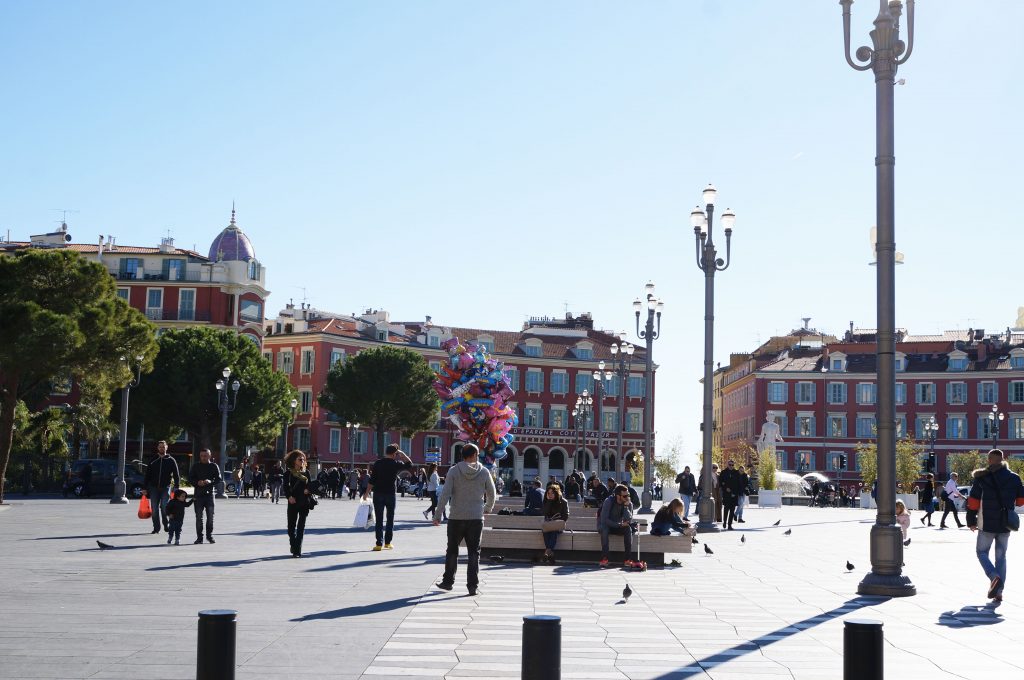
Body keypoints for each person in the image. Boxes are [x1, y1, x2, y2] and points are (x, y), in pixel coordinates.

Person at [434, 444, 496, 596]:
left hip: (456, 517)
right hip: (476, 517)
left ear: (462, 455)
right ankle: (472, 586)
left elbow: (445, 494)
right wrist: (487, 508)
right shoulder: (484, 471)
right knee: (474, 552)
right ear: (475, 454)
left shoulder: (454, 471)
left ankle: (448, 582)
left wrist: (438, 515)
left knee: (452, 551)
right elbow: (492, 493)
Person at [967, 449, 1024, 602]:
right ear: (1003, 459)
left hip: (987, 523)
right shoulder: (1014, 478)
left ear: (989, 460)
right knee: (1001, 557)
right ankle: (998, 592)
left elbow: (973, 501)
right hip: (1006, 524)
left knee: (981, 552)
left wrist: (971, 521)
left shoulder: (982, 478)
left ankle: (994, 576)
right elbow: (1020, 501)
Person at [363, 444, 413, 551]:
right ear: (395, 454)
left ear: (386, 452)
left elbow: (372, 480)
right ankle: (388, 543)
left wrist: (366, 493)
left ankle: (378, 544)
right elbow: (409, 464)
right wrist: (403, 454)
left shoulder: (378, 463)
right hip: (390, 494)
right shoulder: (396, 463)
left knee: (379, 520)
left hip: (378, 494)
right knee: (390, 519)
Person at [143, 441, 180, 534]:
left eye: (163, 447)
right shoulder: (153, 459)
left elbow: (176, 475)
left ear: (166, 448)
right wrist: (144, 488)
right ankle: (156, 528)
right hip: (153, 488)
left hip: (165, 487)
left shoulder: (171, 460)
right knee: (154, 509)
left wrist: (177, 487)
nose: (161, 448)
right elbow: (147, 475)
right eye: (160, 447)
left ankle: (166, 524)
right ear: (157, 448)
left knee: (164, 507)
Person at [598, 484, 637, 568]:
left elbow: (629, 520)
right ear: (618, 496)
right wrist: (619, 524)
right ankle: (605, 558)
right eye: (625, 496)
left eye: (628, 495)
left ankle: (627, 559)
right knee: (604, 530)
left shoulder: (628, 503)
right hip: (606, 525)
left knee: (628, 529)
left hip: (619, 526)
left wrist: (626, 507)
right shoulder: (608, 501)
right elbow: (605, 520)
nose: (627, 497)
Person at [284, 449, 313, 557]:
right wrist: (289, 497)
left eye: (303, 459)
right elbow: (285, 487)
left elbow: (310, 486)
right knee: (291, 527)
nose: (302, 460)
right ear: (294, 460)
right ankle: (293, 543)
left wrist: (308, 490)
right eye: (299, 459)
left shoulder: (306, 472)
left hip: (304, 502)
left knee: (301, 527)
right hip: (293, 501)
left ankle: (297, 550)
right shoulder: (288, 473)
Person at [189, 448, 221, 544]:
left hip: (210, 494)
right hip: (198, 494)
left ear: (209, 456)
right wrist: (197, 482)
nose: (203, 457)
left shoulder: (214, 466)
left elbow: (218, 479)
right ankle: (199, 537)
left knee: (210, 517)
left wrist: (210, 481)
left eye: (205, 456)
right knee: (199, 517)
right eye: (202, 456)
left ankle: (209, 536)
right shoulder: (196, 466)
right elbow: (190, 478)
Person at [540, 484, 569, 564]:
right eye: (548, 493)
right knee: (545, 531)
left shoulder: (563, 502)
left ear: (556, 493)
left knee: (553, 531)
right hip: (549, 524)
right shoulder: (546, 500)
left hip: (558, 526)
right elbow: (544, 512)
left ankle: (547, 551)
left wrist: (556, 521)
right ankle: (550, 554)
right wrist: (549, 501)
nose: (550, 495)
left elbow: (565, 516)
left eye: (552, 493)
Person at [720, 461, 742, 530]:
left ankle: (729, 525)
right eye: (730, 465)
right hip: (726, 494)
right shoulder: (723, 472)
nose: (731, 466)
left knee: (732, 510)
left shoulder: (736, 473)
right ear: (727, 465)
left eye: (732, 465)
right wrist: (726, 488)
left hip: (734, 495)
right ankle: (724, 522)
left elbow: (739, 484)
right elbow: (721, 482)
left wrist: (735, 493)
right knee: (726, 509)